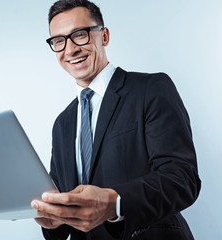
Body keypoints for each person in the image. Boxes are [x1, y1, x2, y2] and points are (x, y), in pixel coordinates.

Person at [30, 0, 201, 239]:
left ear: (104, 36)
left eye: (80, 35)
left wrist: (115, 203)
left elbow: (182, 179)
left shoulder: (150, 89)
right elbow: (64, 207)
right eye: (59, 41)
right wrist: (53, 220)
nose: (70, 50)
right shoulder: (62, 124)